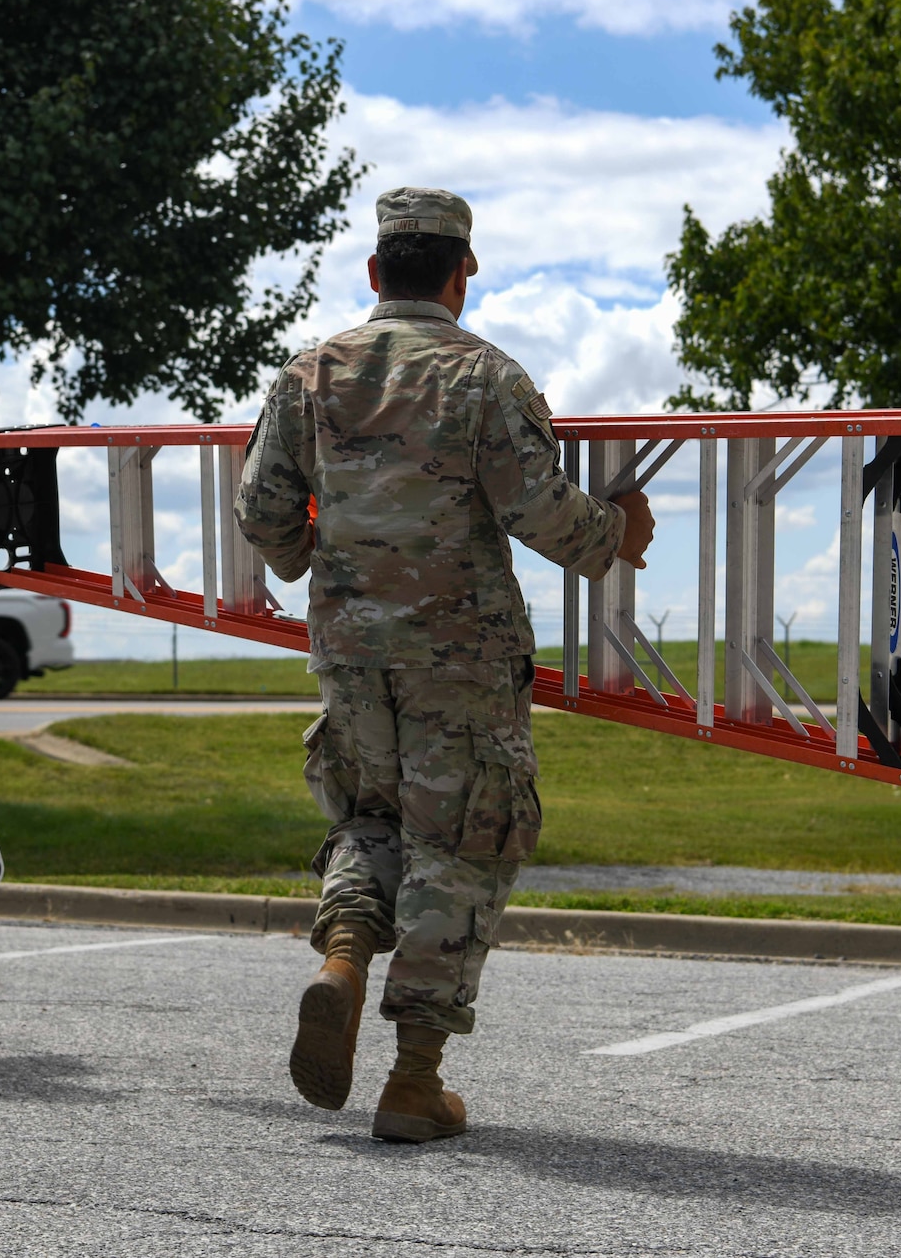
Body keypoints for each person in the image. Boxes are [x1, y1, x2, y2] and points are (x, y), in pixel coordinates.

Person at [236, 188, 655, 1142]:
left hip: (349, 653)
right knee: (461, 845)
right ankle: (413, 1081)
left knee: (371, 816)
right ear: (462, 276)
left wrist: (316, 558)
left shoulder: (308, 375)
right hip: (458, 659)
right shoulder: (487, 379)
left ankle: (343, 956)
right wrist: (618, 531)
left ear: (376, 272)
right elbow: (541, 514)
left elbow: (262, 513)